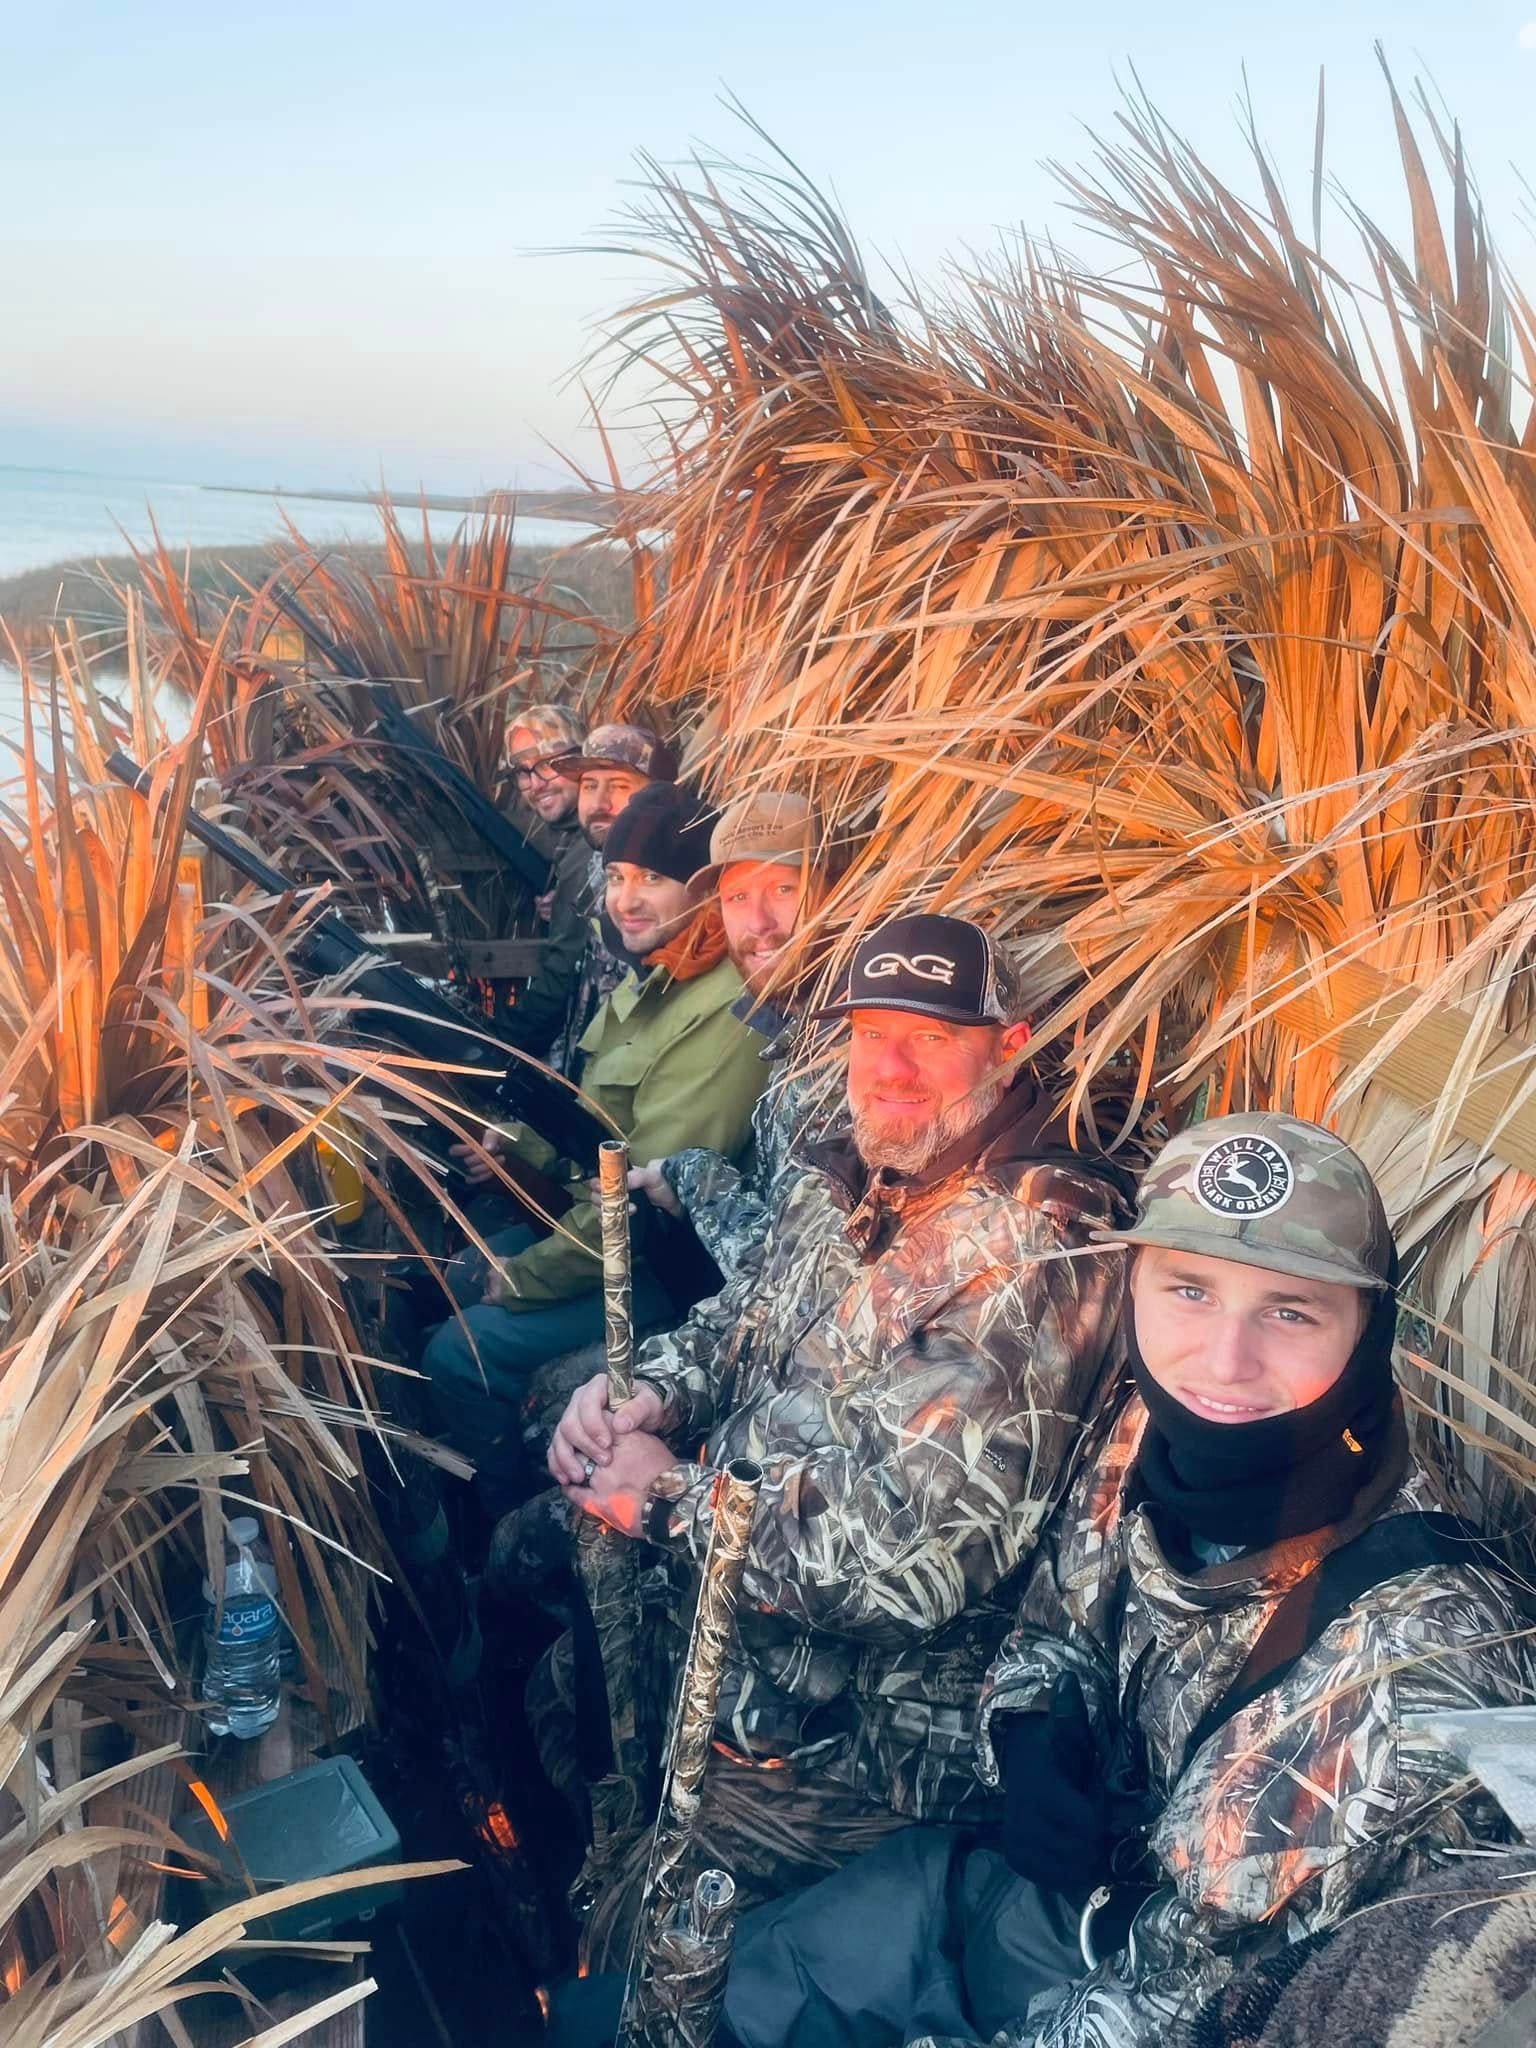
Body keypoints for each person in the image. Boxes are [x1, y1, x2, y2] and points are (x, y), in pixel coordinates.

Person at [723, 1113, 1536, 2048]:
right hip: (1039, 1902)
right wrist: (1028, 1728)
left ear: (1366, 1332)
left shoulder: (1415, 1663)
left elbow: (1206, 2010)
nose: (1224, 1363)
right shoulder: (1146, 1434)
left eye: (1290, 1312)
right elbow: (1056, 1624)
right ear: (1134, 1287)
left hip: (1150, 2002)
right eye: (1189, 1290)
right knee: (735, 1992)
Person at [548, 913, 1134, 1961]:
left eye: (932, 1038)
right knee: (554, 1685)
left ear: (1010, 1047)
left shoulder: (1035, 1251)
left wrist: (670, 1498)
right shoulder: (868, 1170)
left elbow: (904, 1565)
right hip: (729, 1648)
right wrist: (647, 1397)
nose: (891, 1067)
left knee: (636, 1959)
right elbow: (746, 1322)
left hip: (858, 1751)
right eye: (871, 1034)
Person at [421, 782, 768, 1514]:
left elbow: (632, 1203)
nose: (625, 900)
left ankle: (501, 1518)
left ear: (704, 892)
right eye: (615, 877)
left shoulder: (725, 1009)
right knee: (458, 1272)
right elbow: (592, 1122)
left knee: (457, 1353)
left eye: (653, 878)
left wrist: (523, 1280)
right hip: (606, 1243)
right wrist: (518, 1142)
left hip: (665, 1273)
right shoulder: (655, 982)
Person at [625, 789, 844, 1283]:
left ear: (839, 891)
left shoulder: (854, 1043)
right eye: (738, 897)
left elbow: (788, 1275)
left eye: (784, 889)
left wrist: (688, 1173)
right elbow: (782, 1208)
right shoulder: (789, 1025)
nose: (759, 923)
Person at [499, 704, 589, 1065]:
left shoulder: (590, 847)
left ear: (582, 759)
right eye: (523, 772)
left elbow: (562, 977)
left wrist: (498, 1041)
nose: (535, 784)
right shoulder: (573, 839)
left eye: (548, 763)